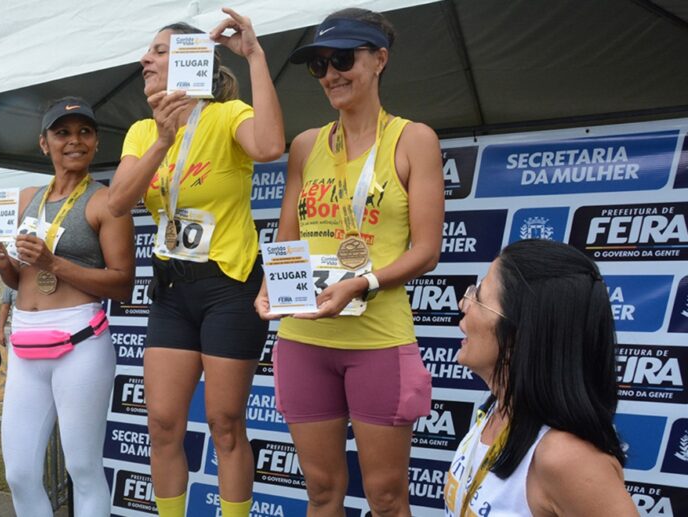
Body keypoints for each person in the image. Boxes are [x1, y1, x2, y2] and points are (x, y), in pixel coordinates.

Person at [254, 8, 444, 516]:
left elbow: (426, 250)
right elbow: (287, 237)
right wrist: (271, 285)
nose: (331, 74)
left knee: (385, 497)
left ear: (379, 60)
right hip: (304, 340)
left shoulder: (414, 139)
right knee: (320, 493)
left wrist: (362, 283)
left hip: (378, 341)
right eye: (319, 65)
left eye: (342, 59)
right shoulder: (305, 145)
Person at [106, 9, 284, 516]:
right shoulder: (143, 132)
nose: (146, 59)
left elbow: (271, 146)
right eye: (148, 52)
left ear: (190, 62)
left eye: (160, 52)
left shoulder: (226, 117)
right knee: (162, 423)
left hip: (229, 287)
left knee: (226, 422)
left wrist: (253, 55)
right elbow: (118, 202)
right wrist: (163, 140)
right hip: (172, 293)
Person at [0, 97, 134, 517]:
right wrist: (1, 265)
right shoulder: (26, 197)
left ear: (97, 141)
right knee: (20, 474)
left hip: (80, 341)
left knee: (83, 468)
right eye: (62, 133)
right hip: (26, 342)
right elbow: (18, 278)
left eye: (84, 131)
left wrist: (53, 262)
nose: (74, 141)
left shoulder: (106, 202)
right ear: (44, 143)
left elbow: (123, 283)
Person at [444, 239, 637, 516]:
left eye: (479, 296)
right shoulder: (497, 412)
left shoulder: (566, 458)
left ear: (517, 335)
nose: (464, 303)